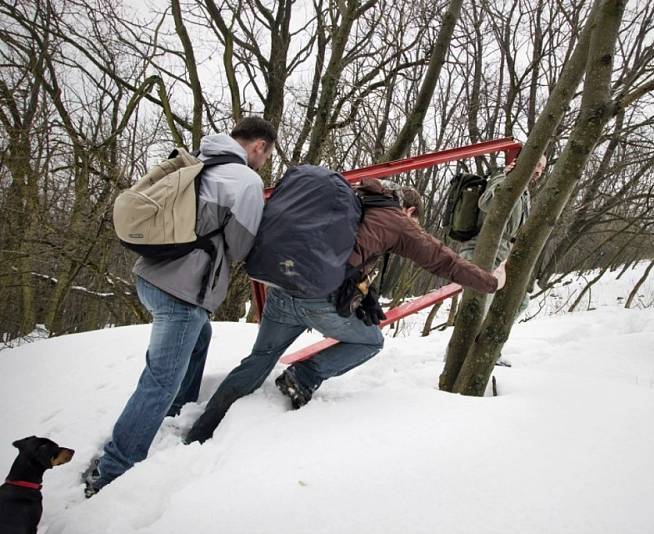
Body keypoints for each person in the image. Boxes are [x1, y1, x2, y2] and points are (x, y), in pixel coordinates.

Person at [184, 178, 505, 444]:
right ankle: (303, 376)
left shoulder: (352, 196)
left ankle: (200, 432)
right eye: (415, 220)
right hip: (318, 301)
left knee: (258, 360)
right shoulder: (397, 221)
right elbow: (443, 260)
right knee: (370, 341)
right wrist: (491, 282)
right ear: (409, 210)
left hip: (281, 289)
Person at [84, 117, 277, 496]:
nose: (265, 163)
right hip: (182, 293)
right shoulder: (245, 180)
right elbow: (239, 248)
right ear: (259, 147)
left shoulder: (200, 159)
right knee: (159, 381)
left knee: (199, 337)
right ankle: (113, 468)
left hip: (151, 277)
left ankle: (177, 410)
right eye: (267, 155)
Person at [457, 155, 546, 366]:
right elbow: (486, 203)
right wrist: (505, 178)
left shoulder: (525, 193)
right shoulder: (504, 178)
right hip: (481, 251)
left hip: (503, 255)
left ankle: (488, 349)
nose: (539, 171)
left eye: (542, 167)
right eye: (536, 164)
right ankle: (460, 357)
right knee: (479, 306)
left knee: (520, 301)